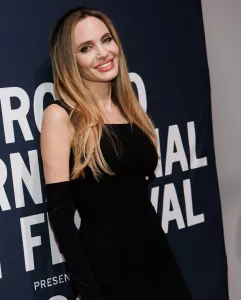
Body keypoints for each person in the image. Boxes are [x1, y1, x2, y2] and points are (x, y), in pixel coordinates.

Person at [40, 7, 193, 300]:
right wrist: (88, 289)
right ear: (70, 60)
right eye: (86, 48)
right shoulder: (60, 116)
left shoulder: (129, 109)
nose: (102, 53)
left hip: (157, 256)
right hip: (107, 268)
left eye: (106, 39)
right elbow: (60, 214)